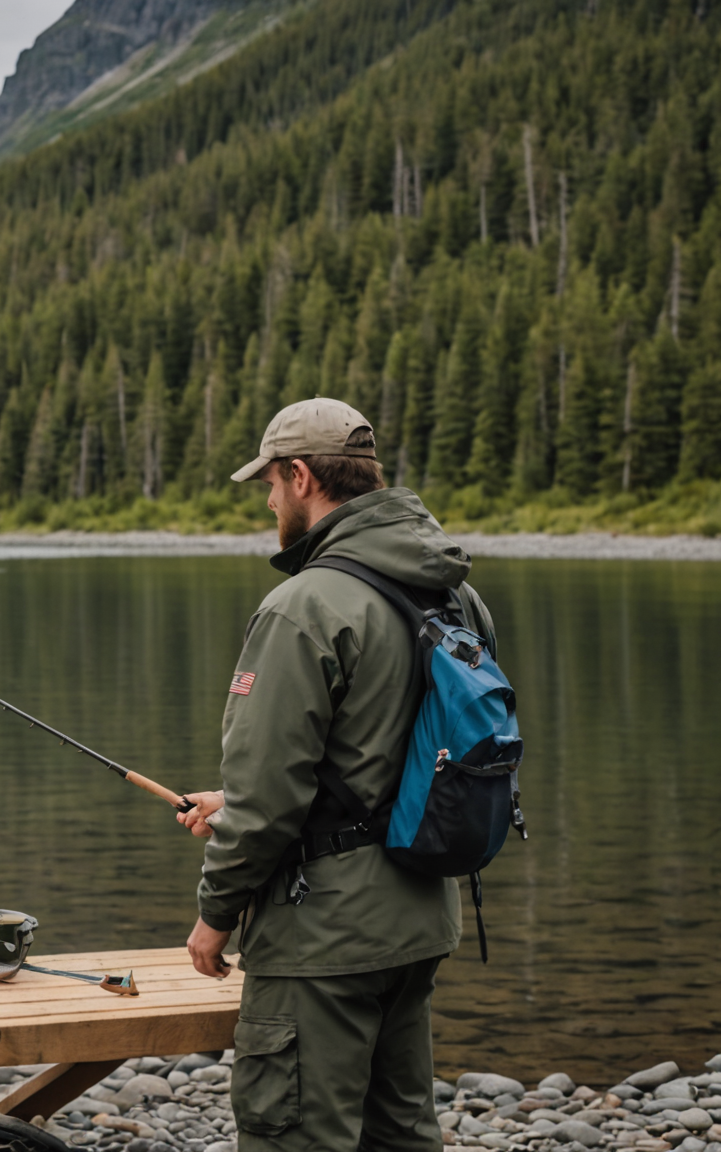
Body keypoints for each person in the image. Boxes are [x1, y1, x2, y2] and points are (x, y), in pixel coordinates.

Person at [175, 397, 497, 1152]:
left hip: (323, 938)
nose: (268, 501)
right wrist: (242, 804)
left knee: (293, 1135)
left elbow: (266, 804)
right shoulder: (455, 592)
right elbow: (402, 756)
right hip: (421, 917)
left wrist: (214, 916)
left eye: (270, 485)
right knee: (401, 1134)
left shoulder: (303, 607)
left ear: (299, 476)